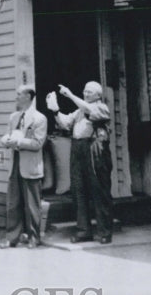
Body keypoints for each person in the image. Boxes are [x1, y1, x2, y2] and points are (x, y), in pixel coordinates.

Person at [46, 81, 113, 244]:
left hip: (94, 150)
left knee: (99, 191)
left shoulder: (101, 107)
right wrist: (55, 110)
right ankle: (84, 230)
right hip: (77, 149)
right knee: (78, 189)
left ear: (98, 95)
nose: (85, 93)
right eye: (84, 91)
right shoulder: (78, 111)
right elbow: (65, 123)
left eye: (89, 92)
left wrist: (69, 94)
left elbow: (90, 110)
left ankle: (105, 231)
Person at [0, 84, 47, 248]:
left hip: (30, 166)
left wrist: (19, 142)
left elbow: (38, 143)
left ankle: (34, 237)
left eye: (19, 94)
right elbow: (8, 134)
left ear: (28, 96)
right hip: (15, 164)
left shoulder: (39, 118)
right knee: (13, 203)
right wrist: (6, 140)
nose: (16, 97)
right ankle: (12, 237)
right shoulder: (14, 117)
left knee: (32, 204)